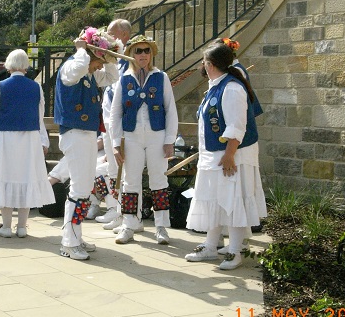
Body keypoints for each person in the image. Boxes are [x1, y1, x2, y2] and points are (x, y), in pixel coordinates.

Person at [184, 40, 267, 270]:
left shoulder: (231, 88)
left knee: (233, 200)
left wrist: (230, 155)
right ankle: (211, 246)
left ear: (210, 64)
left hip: (233, 156)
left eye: (203, 62)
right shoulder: (216, 85)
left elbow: (236, 126)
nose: (202, 65)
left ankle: (234, 251)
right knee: (216, 199)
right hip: (214, 155)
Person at [54, 27, 120, 260]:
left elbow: (113, 77)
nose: (100, 66)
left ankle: (75, 236)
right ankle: (69, 243)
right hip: (74, 132)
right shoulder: (73, 66)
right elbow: (78, 69)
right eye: (99, 61)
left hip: (87, 133)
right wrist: (83, 50)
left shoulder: (90, 73)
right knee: (80, 189)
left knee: (82, 188)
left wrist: (110, 56)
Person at [110, 35, 179, 245]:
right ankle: (129, 225)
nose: (142, 55)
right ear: (131, 54)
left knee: (159, 179)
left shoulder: (161, 77)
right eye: (138, 51)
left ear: (152, 54)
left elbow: (171, 109)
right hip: (131, 136)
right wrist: (115, 143)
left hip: (156, 135)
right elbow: (115, 112)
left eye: (146, 51)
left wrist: (170, 139)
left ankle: (161, 227)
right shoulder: (124, 79)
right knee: (131, 181)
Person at [0, 49, 54, 239]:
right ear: (26, 66)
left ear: (8, 65)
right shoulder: (35, 87)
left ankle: (6, 226)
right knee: (26, 179)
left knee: (5, 179)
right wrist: (43, 141)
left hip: (6, 139)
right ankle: (22, 227)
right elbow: (40, 117)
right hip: (30, 139)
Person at [94, 18, 132, 228]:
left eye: (111, 33)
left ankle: (122, 212)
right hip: (108, 119)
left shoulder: (129, 57)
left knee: (122, 170)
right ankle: (112, 207)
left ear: (124, 35)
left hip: (120, 123)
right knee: (111, 168)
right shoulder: (111, 58)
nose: (108, 36)